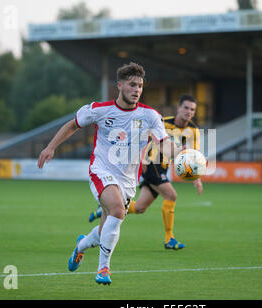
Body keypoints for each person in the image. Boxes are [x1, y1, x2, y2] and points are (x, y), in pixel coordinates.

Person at [37, 62, 182, 285]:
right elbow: (72, 125)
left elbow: (163, 144)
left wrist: (180, 152)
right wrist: (51, 147)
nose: (137, 89)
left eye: (140, 85)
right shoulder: (100, 110)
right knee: (116, 210)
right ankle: (103, 269)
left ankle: (81, 246)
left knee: (107, 228)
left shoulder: (150, 115)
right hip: (101, 170)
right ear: (119, 85)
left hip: (128, 180)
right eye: (132, 85)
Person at [89, 94, 203, 250]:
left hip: (163, 168)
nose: (189, 112)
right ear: (179, 108)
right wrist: (142, 159)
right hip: (150, 164)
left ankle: (105, 209)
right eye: (186, 108)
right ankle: (169, 239)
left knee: (140, 207)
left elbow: (193, 155)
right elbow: (144, 137)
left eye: (192, 109)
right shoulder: (162, 121)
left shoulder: (193, 130)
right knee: (171, 195)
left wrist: (196, 178)